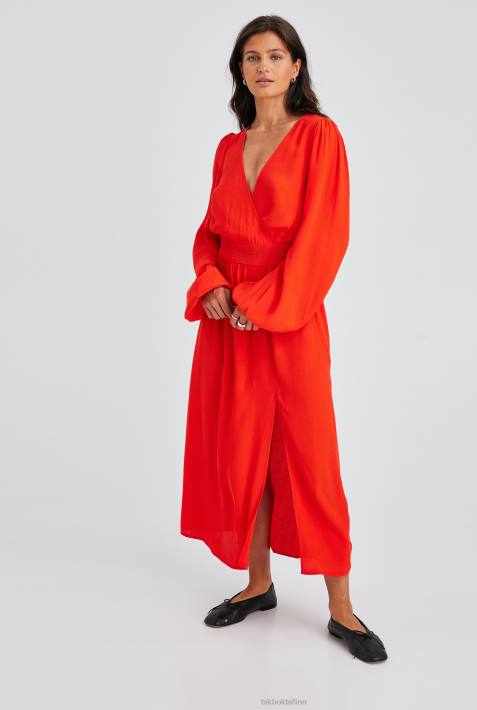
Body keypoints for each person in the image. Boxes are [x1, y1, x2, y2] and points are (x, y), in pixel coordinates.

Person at [180, 16, 387, 663]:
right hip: (229, 326)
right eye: (252, 57)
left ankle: (342, 609)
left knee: (310, 457)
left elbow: (324, 234)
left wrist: (264, 302)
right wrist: (213, 283)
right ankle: (257, 584)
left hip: (289, 318)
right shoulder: (228, 148)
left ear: (296, 67)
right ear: (240, 71)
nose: (263, 67)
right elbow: (210, 233)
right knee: (241, 452)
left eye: (275, 55)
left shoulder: (319, 137)